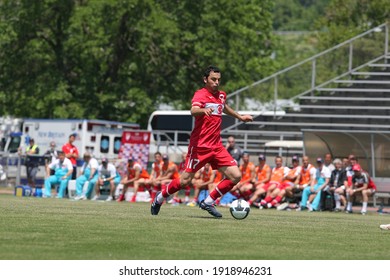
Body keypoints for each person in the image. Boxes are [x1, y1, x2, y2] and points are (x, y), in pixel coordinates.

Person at [151, 65, 253, 218]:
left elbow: (224, 107)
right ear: (205, 79)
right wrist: (202, 110)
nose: (216, 82)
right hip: (199, 146)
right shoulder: (200, 94)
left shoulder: (221, 95)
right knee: (184, 181)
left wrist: (240, 117)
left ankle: (208, 201)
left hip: (217, 146)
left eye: (218, 80)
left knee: (236, 175)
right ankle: (159, 198)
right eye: (213, 79)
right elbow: (193, 110)